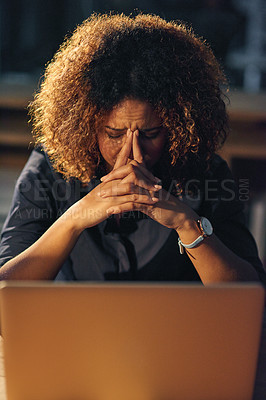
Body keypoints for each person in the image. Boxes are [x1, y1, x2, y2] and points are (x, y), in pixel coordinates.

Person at [0, 13, 265, 284]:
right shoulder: (50, 168)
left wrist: (186, 224)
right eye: (114, 134)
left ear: (176, 128)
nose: (132, 153)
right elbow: (5, 291)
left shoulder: (207, 173)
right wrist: (74, 219)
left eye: (150, 134)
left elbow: (250, 296)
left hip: (175, 326)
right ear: (87, 126)